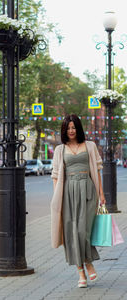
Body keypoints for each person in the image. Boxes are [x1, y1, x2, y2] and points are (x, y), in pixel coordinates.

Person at [51, 114, 106, 288]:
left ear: (78, 128)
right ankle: (81, 271)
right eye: (68, 128)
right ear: (64, 130)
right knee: (71, 232)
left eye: (73, 127)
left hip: (88, 189)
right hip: (68, 192)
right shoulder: (60, 150)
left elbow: (97, 171)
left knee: (84, 230)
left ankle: (88, 262)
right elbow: (56, 176)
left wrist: (101, 194)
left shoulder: (89, 146)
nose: (71, 131)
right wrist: (57, 198)